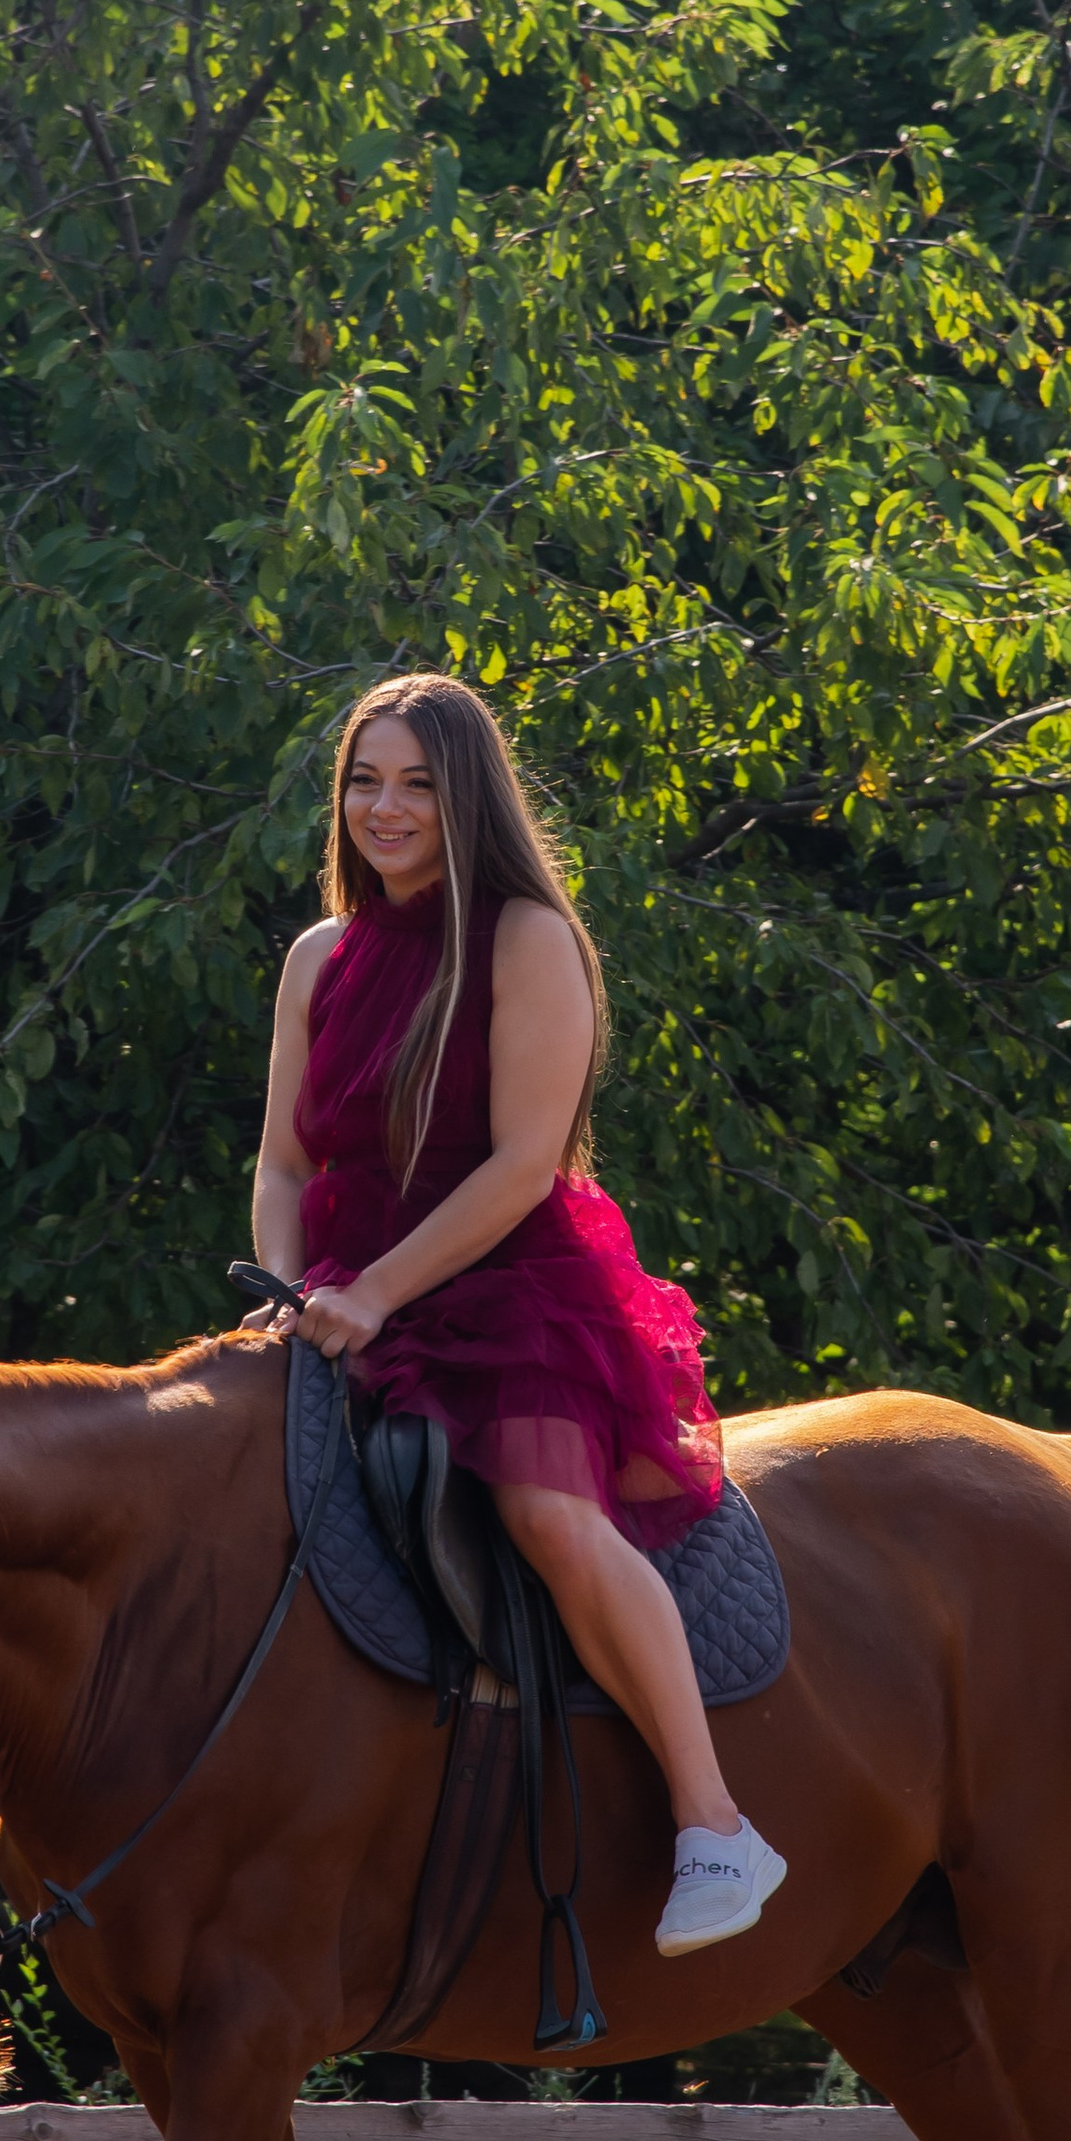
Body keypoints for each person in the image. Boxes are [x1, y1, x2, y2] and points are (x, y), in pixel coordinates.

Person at [250, 671, 785, 1959]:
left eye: (418, 784)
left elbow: (521, 1166)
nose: (386, 807)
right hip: (336, 1301)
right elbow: (280, 1165)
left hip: (503, 1291)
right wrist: (284, 1296)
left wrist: (377, 1292)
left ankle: (716, 1824)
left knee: (546, 1512)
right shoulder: (318, 960)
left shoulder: (527, 940)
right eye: (365, 780)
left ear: (467, 796)